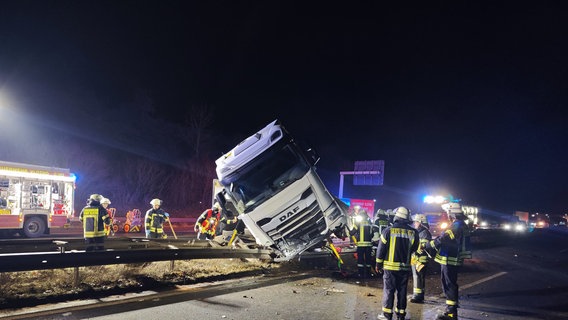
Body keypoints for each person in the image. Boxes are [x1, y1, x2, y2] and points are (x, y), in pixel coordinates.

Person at [423, 202, 470, 320]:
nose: (448, 216)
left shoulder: (457, 225)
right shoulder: (460, 224)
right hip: (453, 258)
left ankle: (451, 313)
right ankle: (451, 308)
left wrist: (430, 244)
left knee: (449, 284)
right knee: (450, 283)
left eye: (448, 213)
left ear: (452, 214)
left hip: (450, 259)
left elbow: (444, 238)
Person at [375, 206, 419, 320]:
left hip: (390, 268)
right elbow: (414, 248)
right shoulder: (414, 232)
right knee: (402, 291)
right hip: (404, 268)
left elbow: (381, 250)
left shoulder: (388, 231)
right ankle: (400, 315)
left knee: (389, 291)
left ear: (396, 217)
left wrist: (378, 265)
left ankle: (386, 315)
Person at [410, 213, 432, 304]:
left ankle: (417, 296)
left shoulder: (424, 232)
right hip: (418, 259)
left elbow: (423, 247)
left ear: (421, 222)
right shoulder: (421, 232)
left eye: (416, 222)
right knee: (418, 277)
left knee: (418, 277)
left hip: (420, 260)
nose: (414, 224)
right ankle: (419, 295)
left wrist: (414, 250)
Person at [350, 209, 374, 278]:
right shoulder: (369, 222)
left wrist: (350, 233)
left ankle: (361, 273)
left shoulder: (358, 222)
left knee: (360, 260)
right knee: (368, 260)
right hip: (369, 245)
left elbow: (353, 231)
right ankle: (368, 274)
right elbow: (372, 234)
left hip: (361, 244)